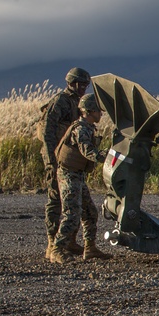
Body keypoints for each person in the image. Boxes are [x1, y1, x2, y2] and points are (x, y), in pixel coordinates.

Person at [48, 93, 112, 263]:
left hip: (77, 175)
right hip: (69, 175)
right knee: (72, 214)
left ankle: (90, 248)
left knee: (90, 212)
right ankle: (57, 249)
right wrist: (108, 157)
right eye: (98, 111)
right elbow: (88, 152)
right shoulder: (81, 129)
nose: (101, 114)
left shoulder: (87, 127)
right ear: (90, 111)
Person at [39, 67, 90, 260]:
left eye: (86, 85)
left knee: (72, 199)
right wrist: (51, 159)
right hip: (55, 159)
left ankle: (69, 241)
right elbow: (47, 132)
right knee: (55, 200)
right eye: (82, 84)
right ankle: (53, 243)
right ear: (73, 83)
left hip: (68, 159)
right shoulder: (60, 102)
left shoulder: (77, 102)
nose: (84, 88)